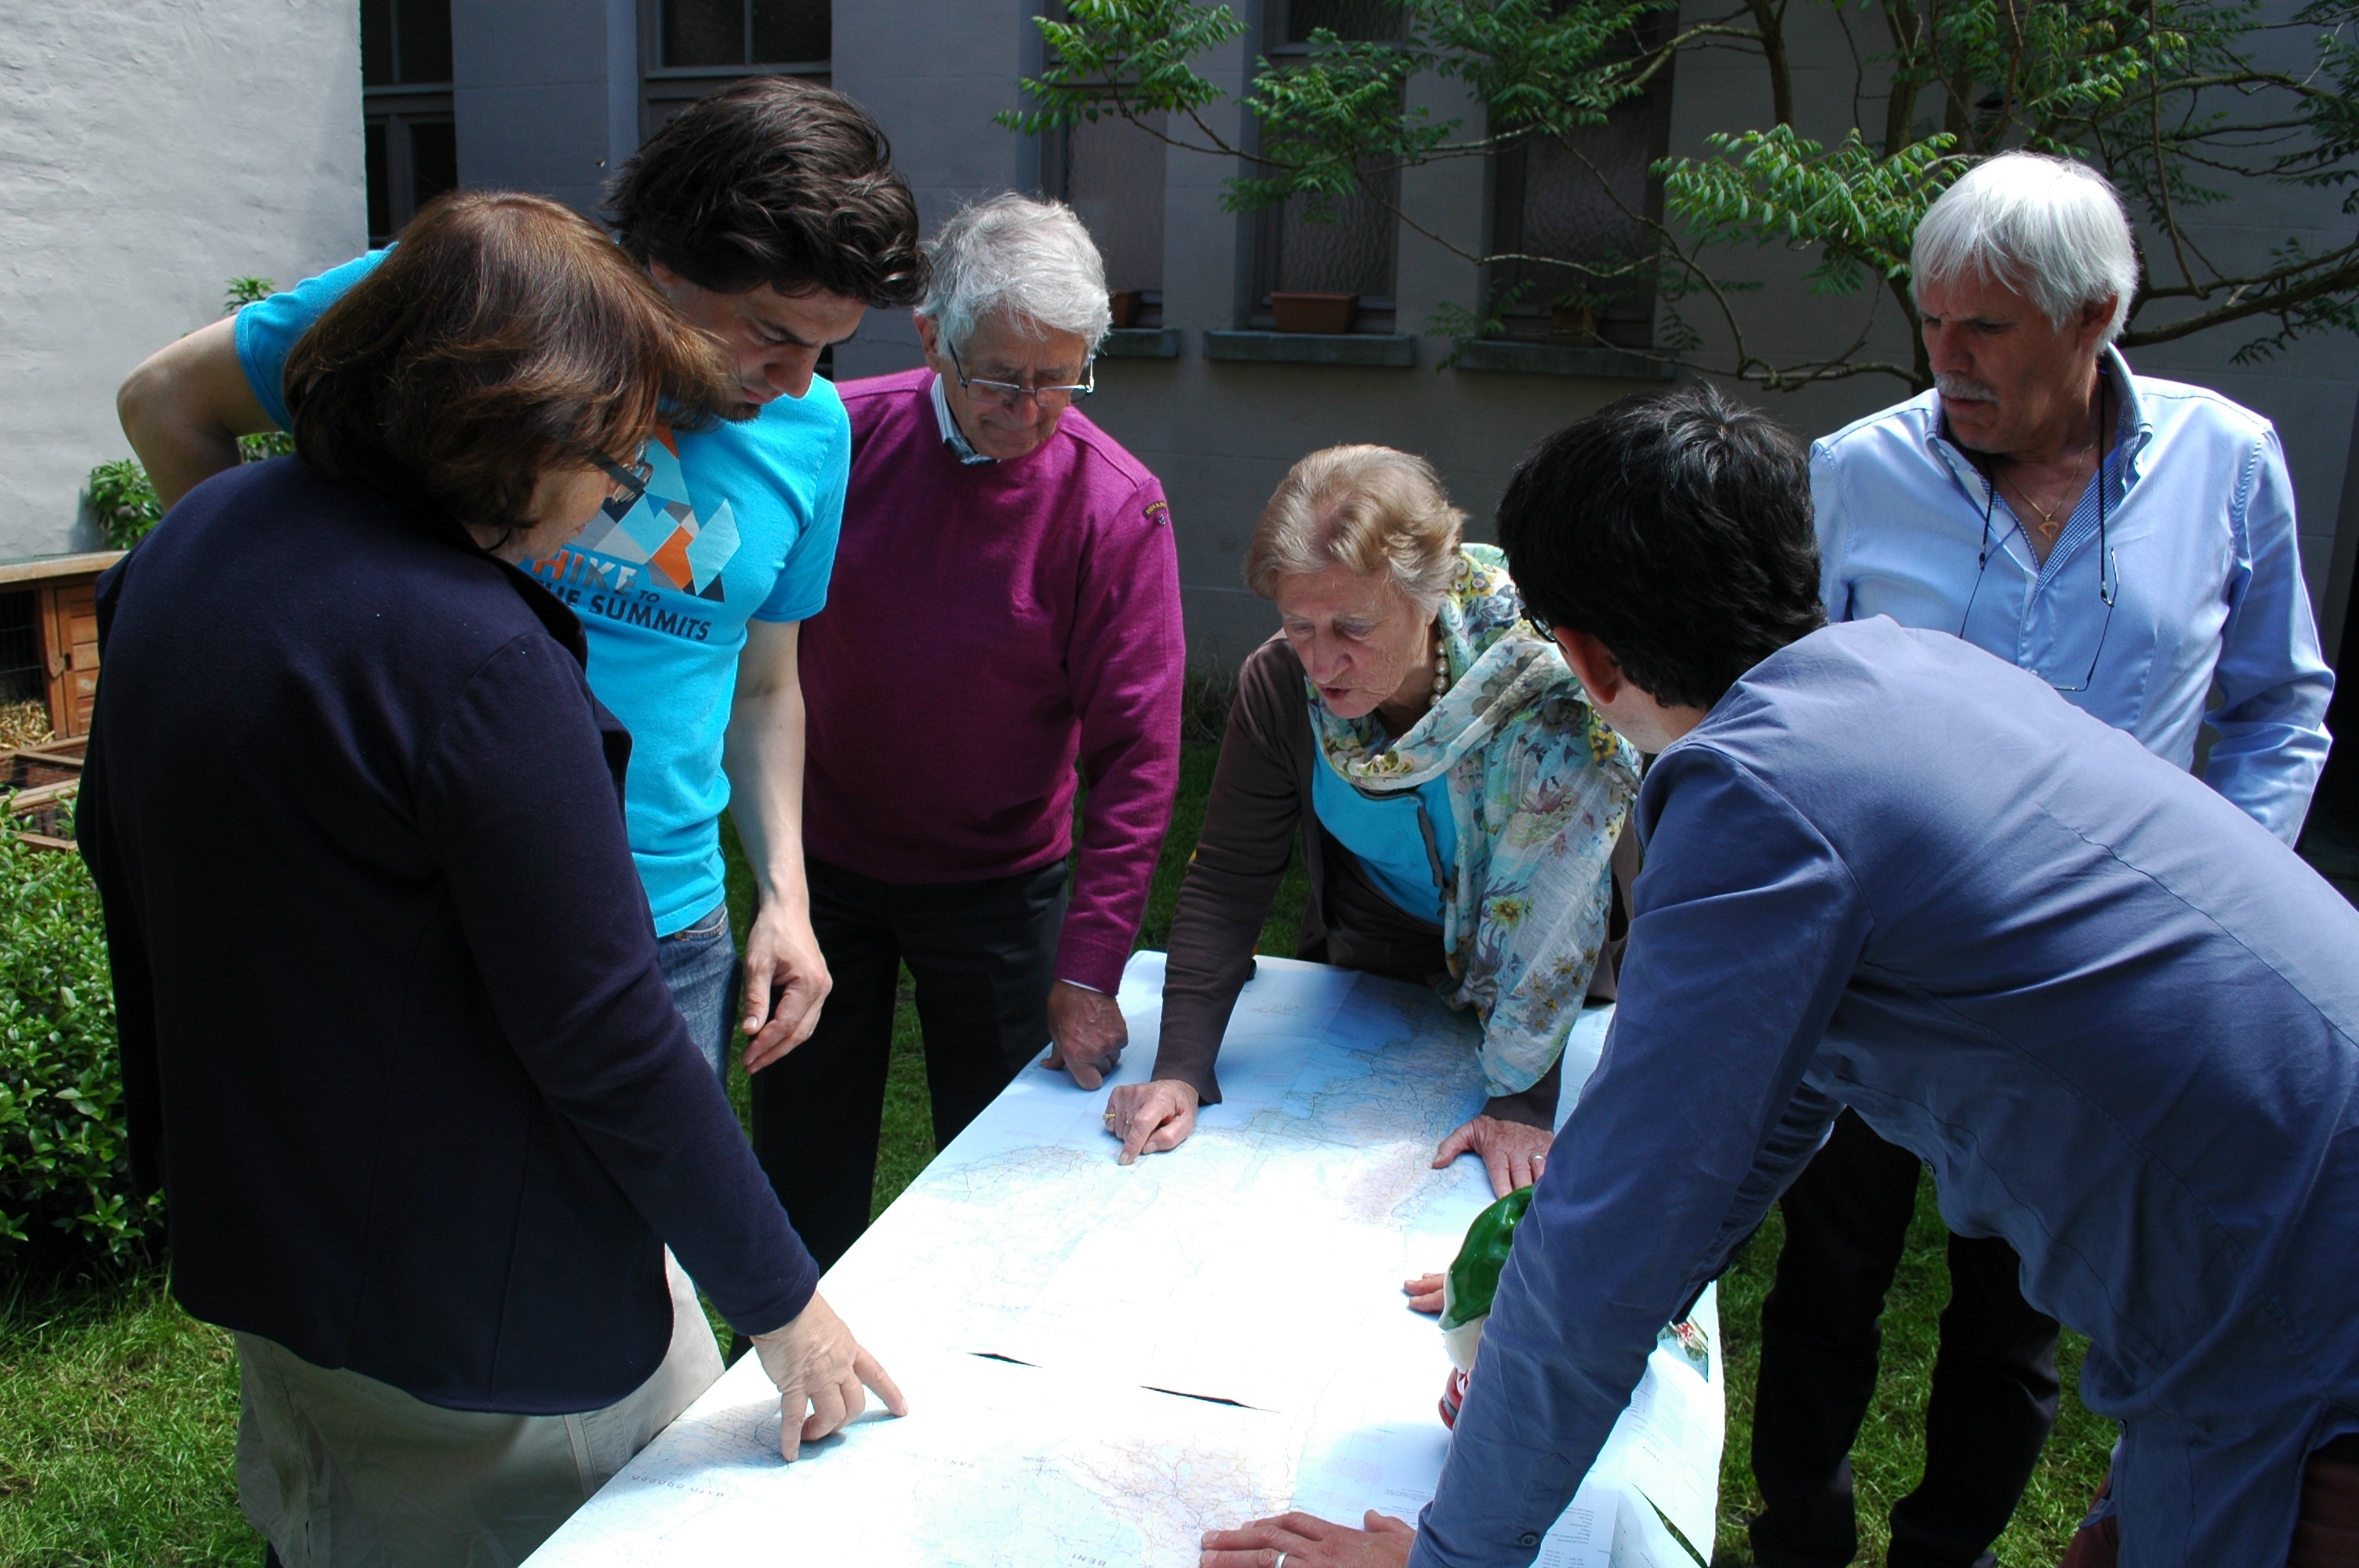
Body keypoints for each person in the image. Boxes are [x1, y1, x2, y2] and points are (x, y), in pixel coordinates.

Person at [1201, 383, 2359, 1568]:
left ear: (1585, 653)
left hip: (2295, 1321)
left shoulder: (1754, 792)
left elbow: (1627, 1212)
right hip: (2280, 1252)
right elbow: (1771, 1101)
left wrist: (1452, 1556)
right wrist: (1562, 1288)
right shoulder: (1903, 670)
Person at [78, 192, 904, 1567]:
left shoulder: (198, 540)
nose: (619, 497)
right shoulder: (486, 662)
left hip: (267, 1231)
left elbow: (130, 861)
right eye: (618, 455)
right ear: (516, 427)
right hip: (473, 1314)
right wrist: (787, 1306)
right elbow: (610, 1037)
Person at [113, 77, 923, 1087]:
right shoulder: (474, 311)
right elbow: (167, 402)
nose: (798, 379)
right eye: (771, 332)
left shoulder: (813, 433)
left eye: (825, 346)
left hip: (666, 930)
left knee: (660, 1193)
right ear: (663, 261)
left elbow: (763, 687)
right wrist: (264, 619)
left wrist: (787, 900)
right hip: (421, 911)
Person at [1760, 151, 2337, 1568]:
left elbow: (2277, 706)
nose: (1944, 358)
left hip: (2106, 996)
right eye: (1929, 320)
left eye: (1984, 328)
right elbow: (1781, 715)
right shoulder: (1856, 473)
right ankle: (1797, 1540)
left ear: (2092, 319)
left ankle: (1945, 1551)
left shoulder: (2226, 462)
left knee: (2015, 1313)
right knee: (1826, 1278)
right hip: (1885, 972)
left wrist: (2217, 897)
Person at [754, 194, 1185, 1269]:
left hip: (1001, 881)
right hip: (821, 866)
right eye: (1000, 376)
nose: (1030, 408)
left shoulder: (1114, 506)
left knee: (1002, 1175)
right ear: (930, 337)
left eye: (1060, 378)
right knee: (801, 1157)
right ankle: (796, 1342)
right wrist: (774, 883)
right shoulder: (832, 436)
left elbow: (1135, 757)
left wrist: (1090, 967)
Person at [1105, 445, 1638, 1206]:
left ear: (1429, 594)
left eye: (1352, 627)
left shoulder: (1545, 684)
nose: (1321, 663)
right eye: (1299, 625)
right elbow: (1227, 878)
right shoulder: (1280, 686)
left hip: (1553, 981)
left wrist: (1520, 1106)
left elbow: (1555, 908)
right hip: (1379, 957)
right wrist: (1181, 1069)